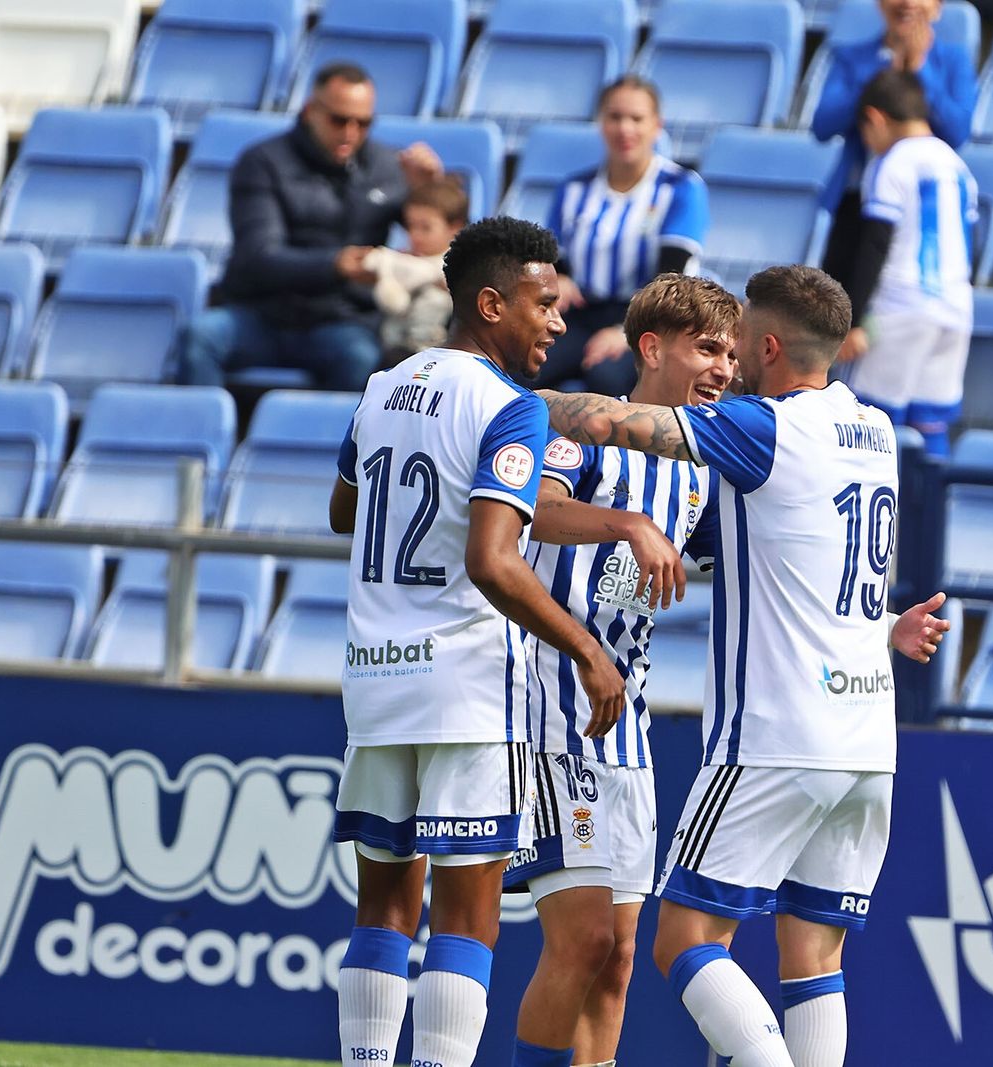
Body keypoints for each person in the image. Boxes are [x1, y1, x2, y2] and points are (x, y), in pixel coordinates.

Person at [539, 265, 950, 1067]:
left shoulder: (764, 427)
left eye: (738, 348)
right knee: (815, 958)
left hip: (776, 736)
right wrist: (883, 630)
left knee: (684, 938)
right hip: (868, 739)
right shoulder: (877, 434)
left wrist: (508, 395)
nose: (730, 369)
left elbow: (611, 424)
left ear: (768, 345)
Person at [325, 217, 626, 1067]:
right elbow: (493, 562)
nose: (559, 321)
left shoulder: (383, 386)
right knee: (465, 910)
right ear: (490, 304)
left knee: (383, 903)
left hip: (377, 679)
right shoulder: (510, 408)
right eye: (543, 303)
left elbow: (347, 511)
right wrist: (585, 649)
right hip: (463, 683)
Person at [504, 274, 741, 1067]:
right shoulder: (588, 429)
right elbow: (533, 507)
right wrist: (629, 523)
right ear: (651, 347)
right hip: (549, 706)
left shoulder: (702, 468)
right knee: (583, 938)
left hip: (625, 727)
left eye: (735, 353)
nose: (726, 368)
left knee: (619, 958)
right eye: (709, 348)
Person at [180, 62, 444, 392]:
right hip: (261, 315)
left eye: (363, 123)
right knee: (200, 337)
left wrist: (429, 192)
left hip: (340, 323)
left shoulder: (389, 167)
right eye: (339, 120)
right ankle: (195, 437)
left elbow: (438, 244)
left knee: (363, 357)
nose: (350, 132)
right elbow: (259, 255)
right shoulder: (263, 162)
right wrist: (336, 265)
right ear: (310, 110)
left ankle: (341, 444)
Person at [538, 74, 710, 397]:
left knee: (606, 379)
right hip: (581, 314)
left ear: (657, 125)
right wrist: (559, 277)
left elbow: (670, 278)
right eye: (615, 117)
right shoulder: (574, 188)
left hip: (650, 319)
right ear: (601, 122)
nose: (625, 129)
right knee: (523, 366)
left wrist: (625, 331)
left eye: (636, 118)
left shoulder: (680, 188)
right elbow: (554, 256)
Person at [838, 69, 977, 459]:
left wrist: (855, 319)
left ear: (876, 118)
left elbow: (876, 244)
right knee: (931, 427)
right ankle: (928, 519)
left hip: (900, 309)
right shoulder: (957, 166)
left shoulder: (893, 162)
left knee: (867, 424)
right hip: (955, 309)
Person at [811, 0, 976, 289]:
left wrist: (919, 70)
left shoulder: (952, 60)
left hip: (922, 202)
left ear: (937, 7)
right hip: (858, 204)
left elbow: (957, 130)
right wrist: (884, 74)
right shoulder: (853, 57)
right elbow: (823, 124)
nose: (908, 3)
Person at [366, 176, 470, 365]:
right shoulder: (403, 260)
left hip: (440, 357)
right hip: (394, 349)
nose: (415, 235)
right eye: (410, 227)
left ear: (455, 227)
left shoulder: (464, 266)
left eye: (426, 228)